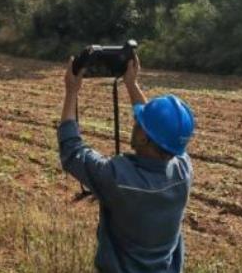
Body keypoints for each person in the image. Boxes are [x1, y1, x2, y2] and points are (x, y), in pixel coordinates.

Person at [58, 53, 195, 273]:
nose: (135, 122)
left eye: (138, 122)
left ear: (143, 138)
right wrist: (131, 84)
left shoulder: (118, 178)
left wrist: (71, 91)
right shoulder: (183, 170)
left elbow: (71, 150)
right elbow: (161, 133)